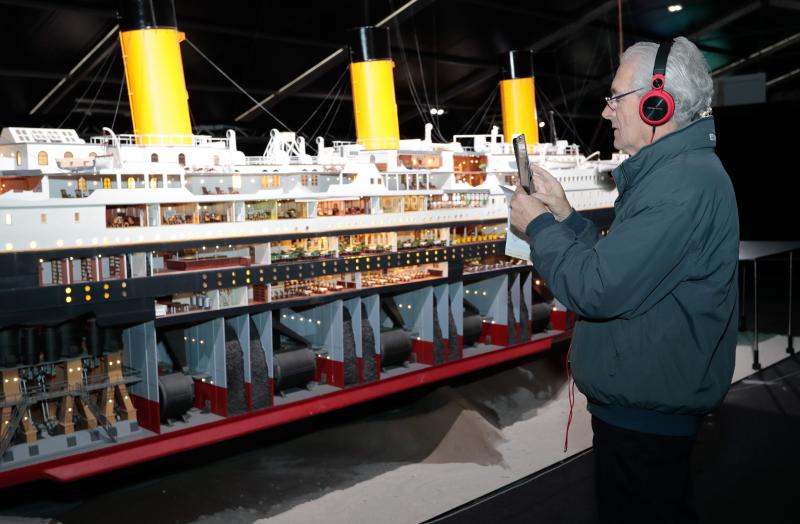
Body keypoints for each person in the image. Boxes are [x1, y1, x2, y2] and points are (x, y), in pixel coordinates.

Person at [511, 36, 739, 524]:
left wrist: (537, 227)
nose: (607, 111)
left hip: (646, 414)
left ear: (658, 104)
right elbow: (627, 268)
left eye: (616, 97)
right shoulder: (674, 174)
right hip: (646, 401)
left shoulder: (678, 184)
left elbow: (597, 289)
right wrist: (566, 215)